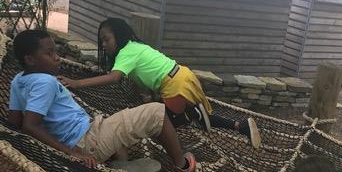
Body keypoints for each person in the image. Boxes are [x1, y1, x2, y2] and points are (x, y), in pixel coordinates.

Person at [7, 29, 196, 172]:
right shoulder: (46, 82)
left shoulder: (18, 80)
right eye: (49, 53)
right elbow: (30, 125)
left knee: (116, 121)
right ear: (30, 59)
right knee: (156, 112)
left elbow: (15, 121)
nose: (56, 57)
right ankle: (182, 166)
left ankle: (120, 165)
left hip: (86, 134)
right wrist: (72, 154)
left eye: (55, 51)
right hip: (86, 143)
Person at [59, 18, 262, 149]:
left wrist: (77, 84)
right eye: (101, 41)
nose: (104, 45)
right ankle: (241, 126)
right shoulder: (135, 47)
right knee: (198, 119)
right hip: (182, 76)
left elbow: (114, 77)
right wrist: (148, 97)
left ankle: (187, 132)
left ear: (118, 36)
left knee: (160, 123)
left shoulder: (125, 53)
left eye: (106, 39)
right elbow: (144, 74)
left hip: (174, 85)